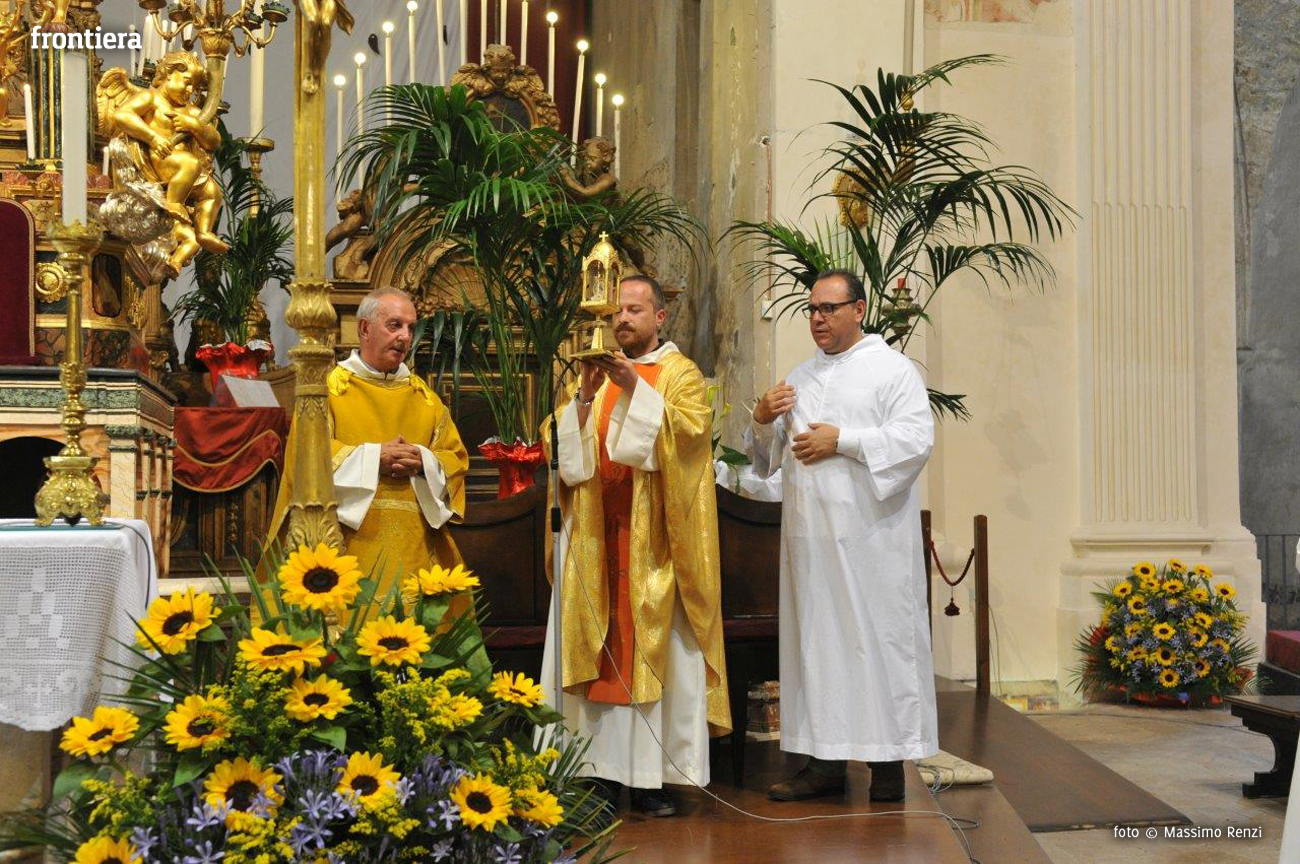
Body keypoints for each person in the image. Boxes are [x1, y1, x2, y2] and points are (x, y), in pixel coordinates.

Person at [541, 274, 730, 817]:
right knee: (596, 653)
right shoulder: (593, 373)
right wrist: (584, 396)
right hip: (594, 536)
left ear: (659, 317)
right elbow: (561, 450)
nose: (621, 319)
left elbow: (690, 439)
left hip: (653, 543)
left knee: (650, 652)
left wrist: (633, 388)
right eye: (616, 311)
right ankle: (595, 774)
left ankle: (649, 781)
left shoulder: (680, 373)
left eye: (633, 310)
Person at [746, 269, 937, 802]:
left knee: (876, 645)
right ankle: (824, 764)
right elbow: (766, 461)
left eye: (828, 308)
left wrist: (844, 441)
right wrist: (760, 419)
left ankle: (887, 766)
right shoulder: (800, 376)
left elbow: (915, 440)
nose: (817, 318)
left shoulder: (892, 370)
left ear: (859, 309)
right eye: (812, 309)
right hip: (811, 544)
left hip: (873, 542)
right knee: (819, 648)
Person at [266, 287, 470, 604]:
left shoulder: (426, 399)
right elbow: (306, 458)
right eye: (395, 325)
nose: (405, 337)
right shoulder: (328, 391)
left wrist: (423, 460)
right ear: (364, 329)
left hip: (416, 549)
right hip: (347, 547)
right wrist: (375, 457)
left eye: (410, 328)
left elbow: (456, 458)